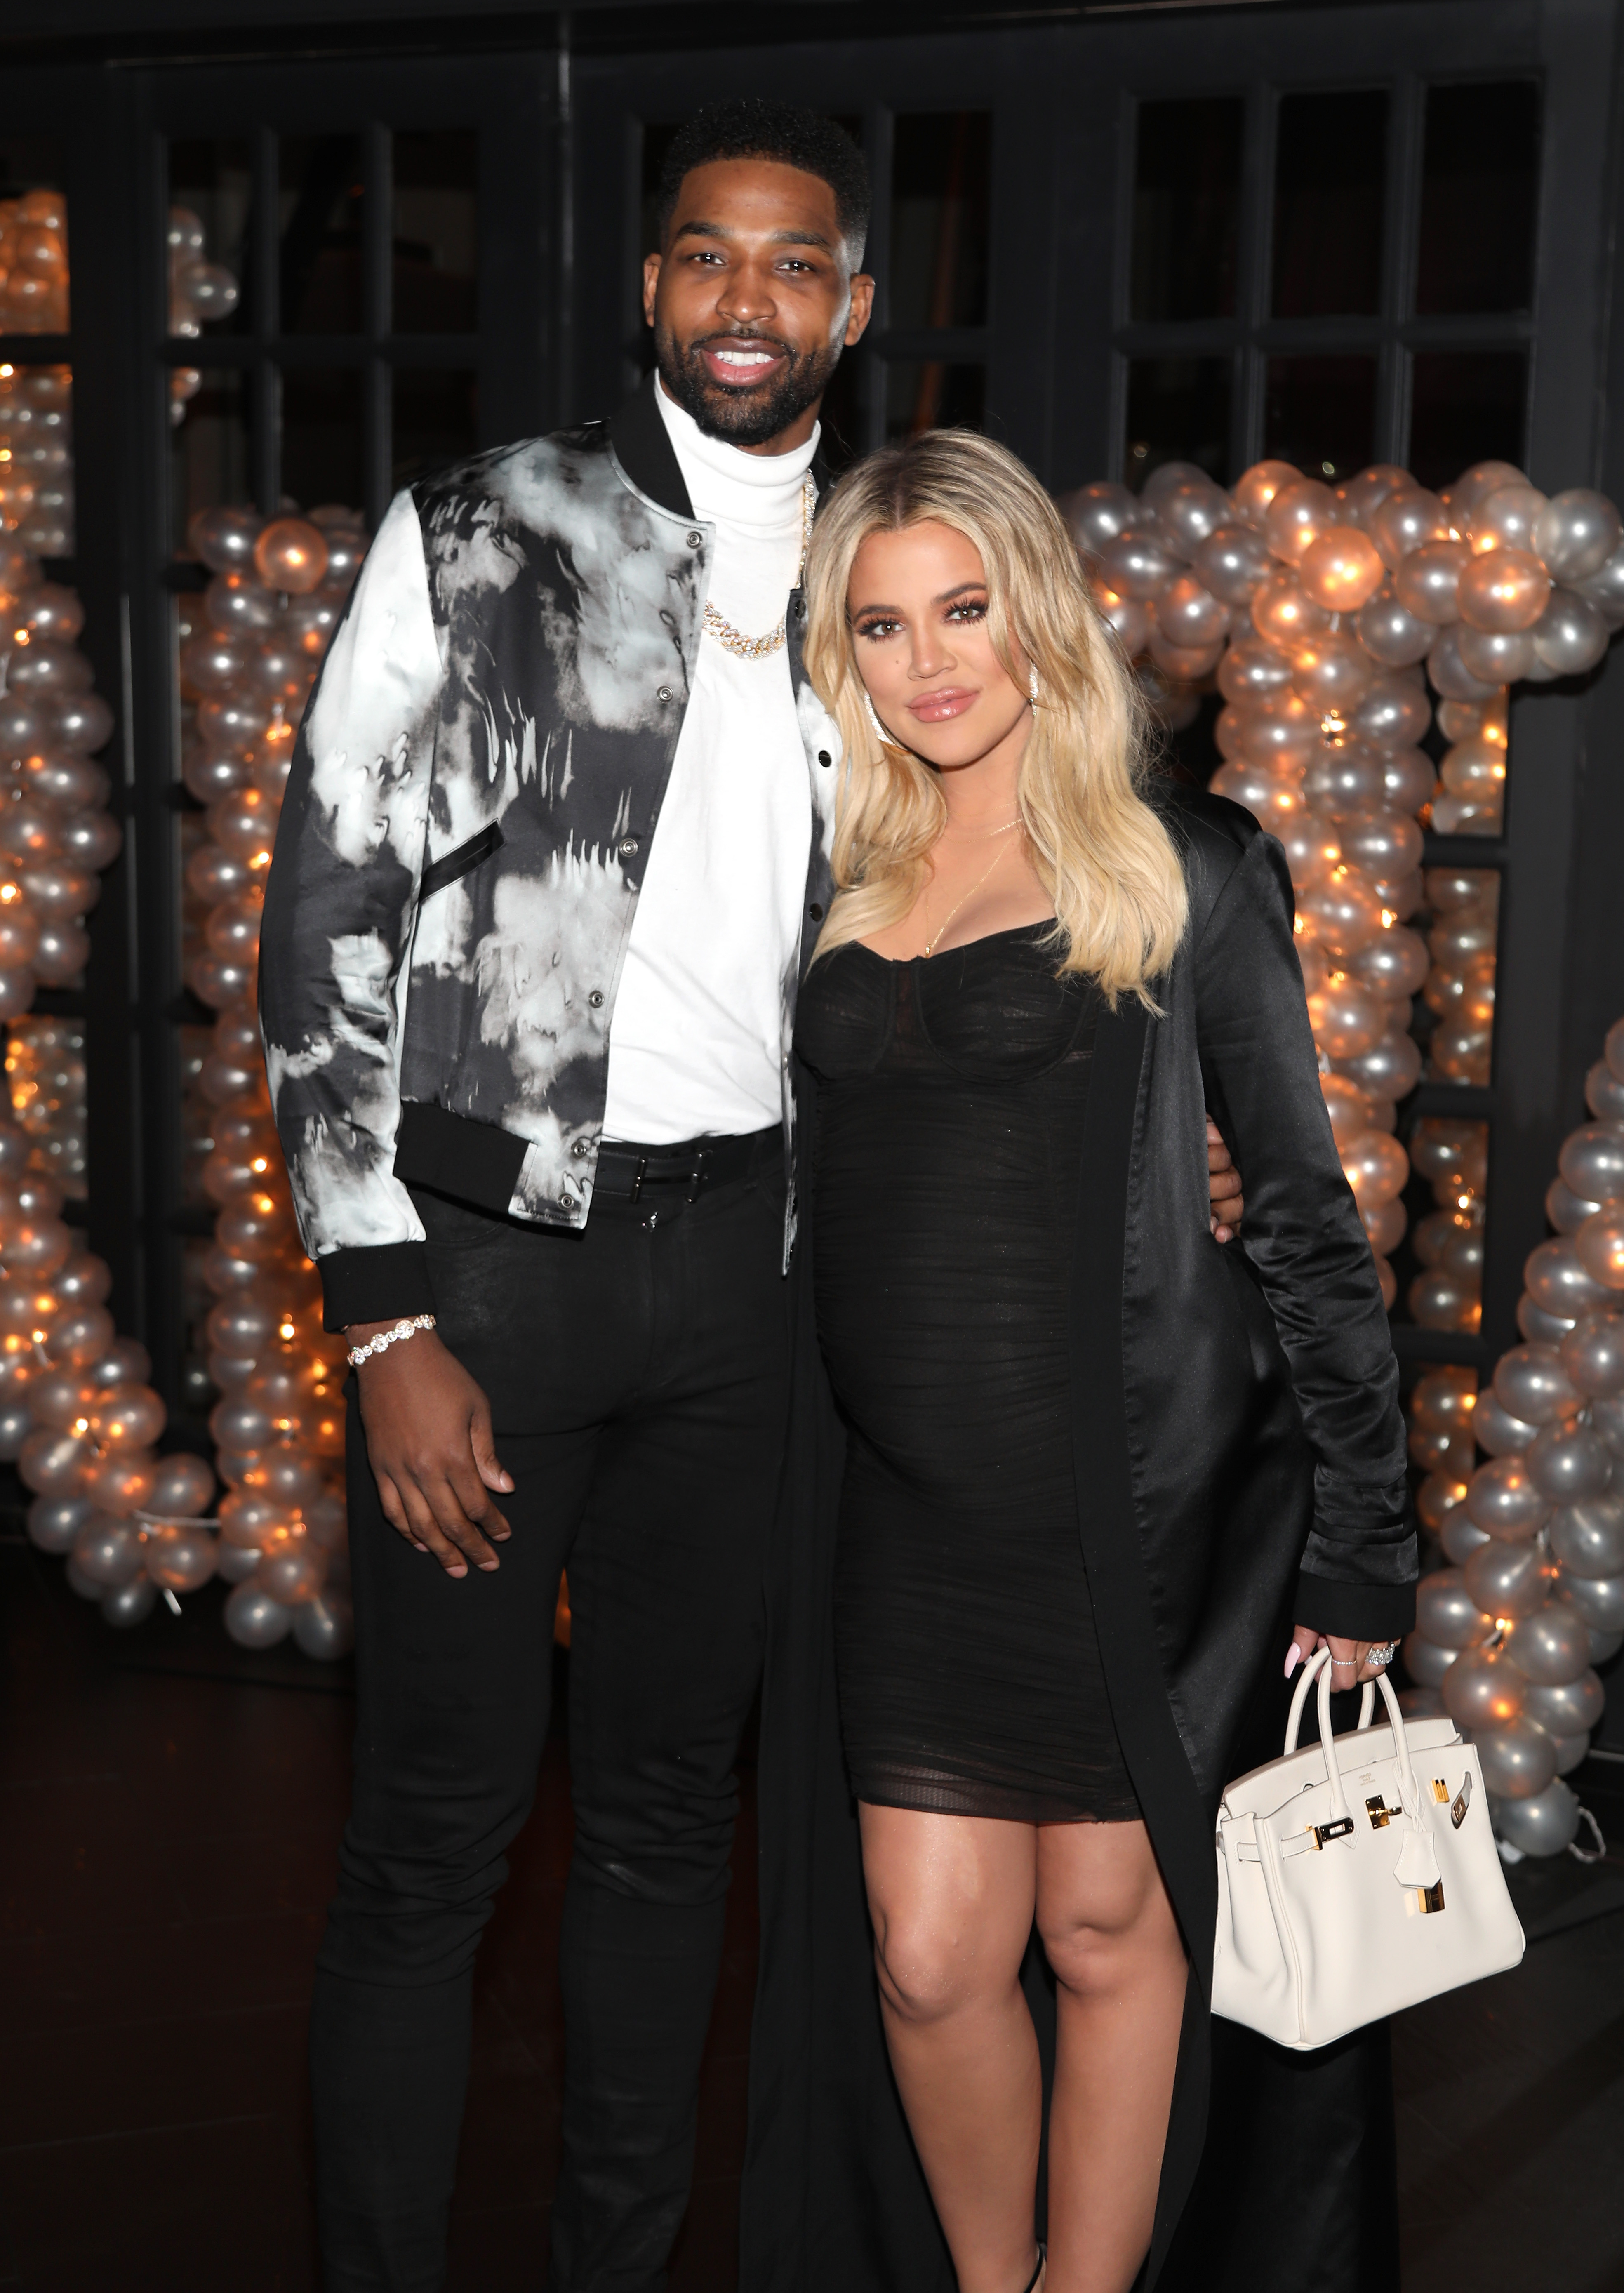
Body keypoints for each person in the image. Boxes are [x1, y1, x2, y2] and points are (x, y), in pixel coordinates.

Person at [258, 90, 1250, 2293]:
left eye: (794, 263)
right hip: (487, 1279)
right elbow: (322, 906)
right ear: (650, 287)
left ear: (853, 306)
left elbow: (1007, 889)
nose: (745, 299)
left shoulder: (876, 587)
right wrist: (380, 1308)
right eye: (706, 256)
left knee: (663, 1837)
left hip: (758, 1292)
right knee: (431, 1843)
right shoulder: (486, 524)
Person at [766, 428, 1415, 2293]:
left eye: (963, 609)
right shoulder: (832, 871)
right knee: (928, 1953)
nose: (930, 661)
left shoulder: (1183, 869)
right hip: (901, 1517)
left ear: (1037, 610)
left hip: (1125, 1504)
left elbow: (1304, 1214)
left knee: (1116, 1926)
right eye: (881, 627)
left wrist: (1370, 1534)